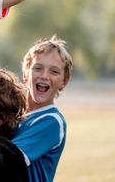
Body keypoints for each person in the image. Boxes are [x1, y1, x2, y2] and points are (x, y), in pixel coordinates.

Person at [11, 35, 73, 182]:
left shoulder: (51, 121)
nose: (44, 76)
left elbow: (4, 162)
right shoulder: (13, 113)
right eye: (38, 68)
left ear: (64, 82)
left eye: (54, 71)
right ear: (25, 73)